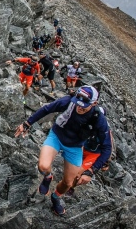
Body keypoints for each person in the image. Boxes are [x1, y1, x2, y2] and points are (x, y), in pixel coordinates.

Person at [14, 86, 110, 216]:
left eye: (84, 105)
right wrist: (27, 124)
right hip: (57, 137)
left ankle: (56, 196)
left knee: (68, 183)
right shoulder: (69, 101)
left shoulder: (99, 119)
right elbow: (47, 109)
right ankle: (48, 177)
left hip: (75, 147)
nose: (79, 107)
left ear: (94, 103)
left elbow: (107, 148)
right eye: (78, 102)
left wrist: (92, 171)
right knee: (43, 166)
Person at [66, 120, 114, 197]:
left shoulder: (104, 128)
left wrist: (106, 161)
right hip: (82, 147)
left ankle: (70, 188)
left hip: (93, 154)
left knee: (79, 172)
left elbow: (108, 147)